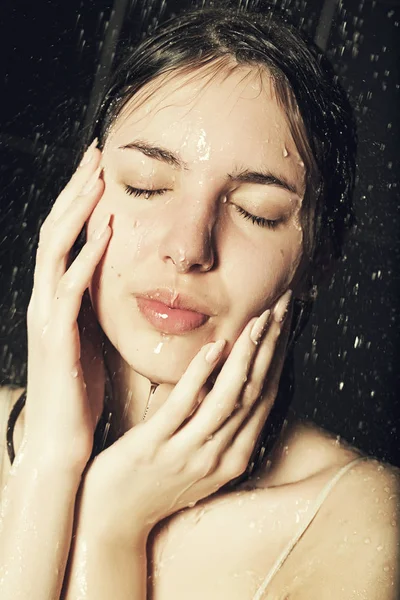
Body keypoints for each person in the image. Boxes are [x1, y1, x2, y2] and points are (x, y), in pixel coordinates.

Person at [0, 5, 398, 599]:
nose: (188, 247)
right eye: (146, 185)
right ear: (81, 195)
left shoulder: (356, 519)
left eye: (255, 213)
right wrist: (47, 468)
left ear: (319, 257)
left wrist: (112, 529)